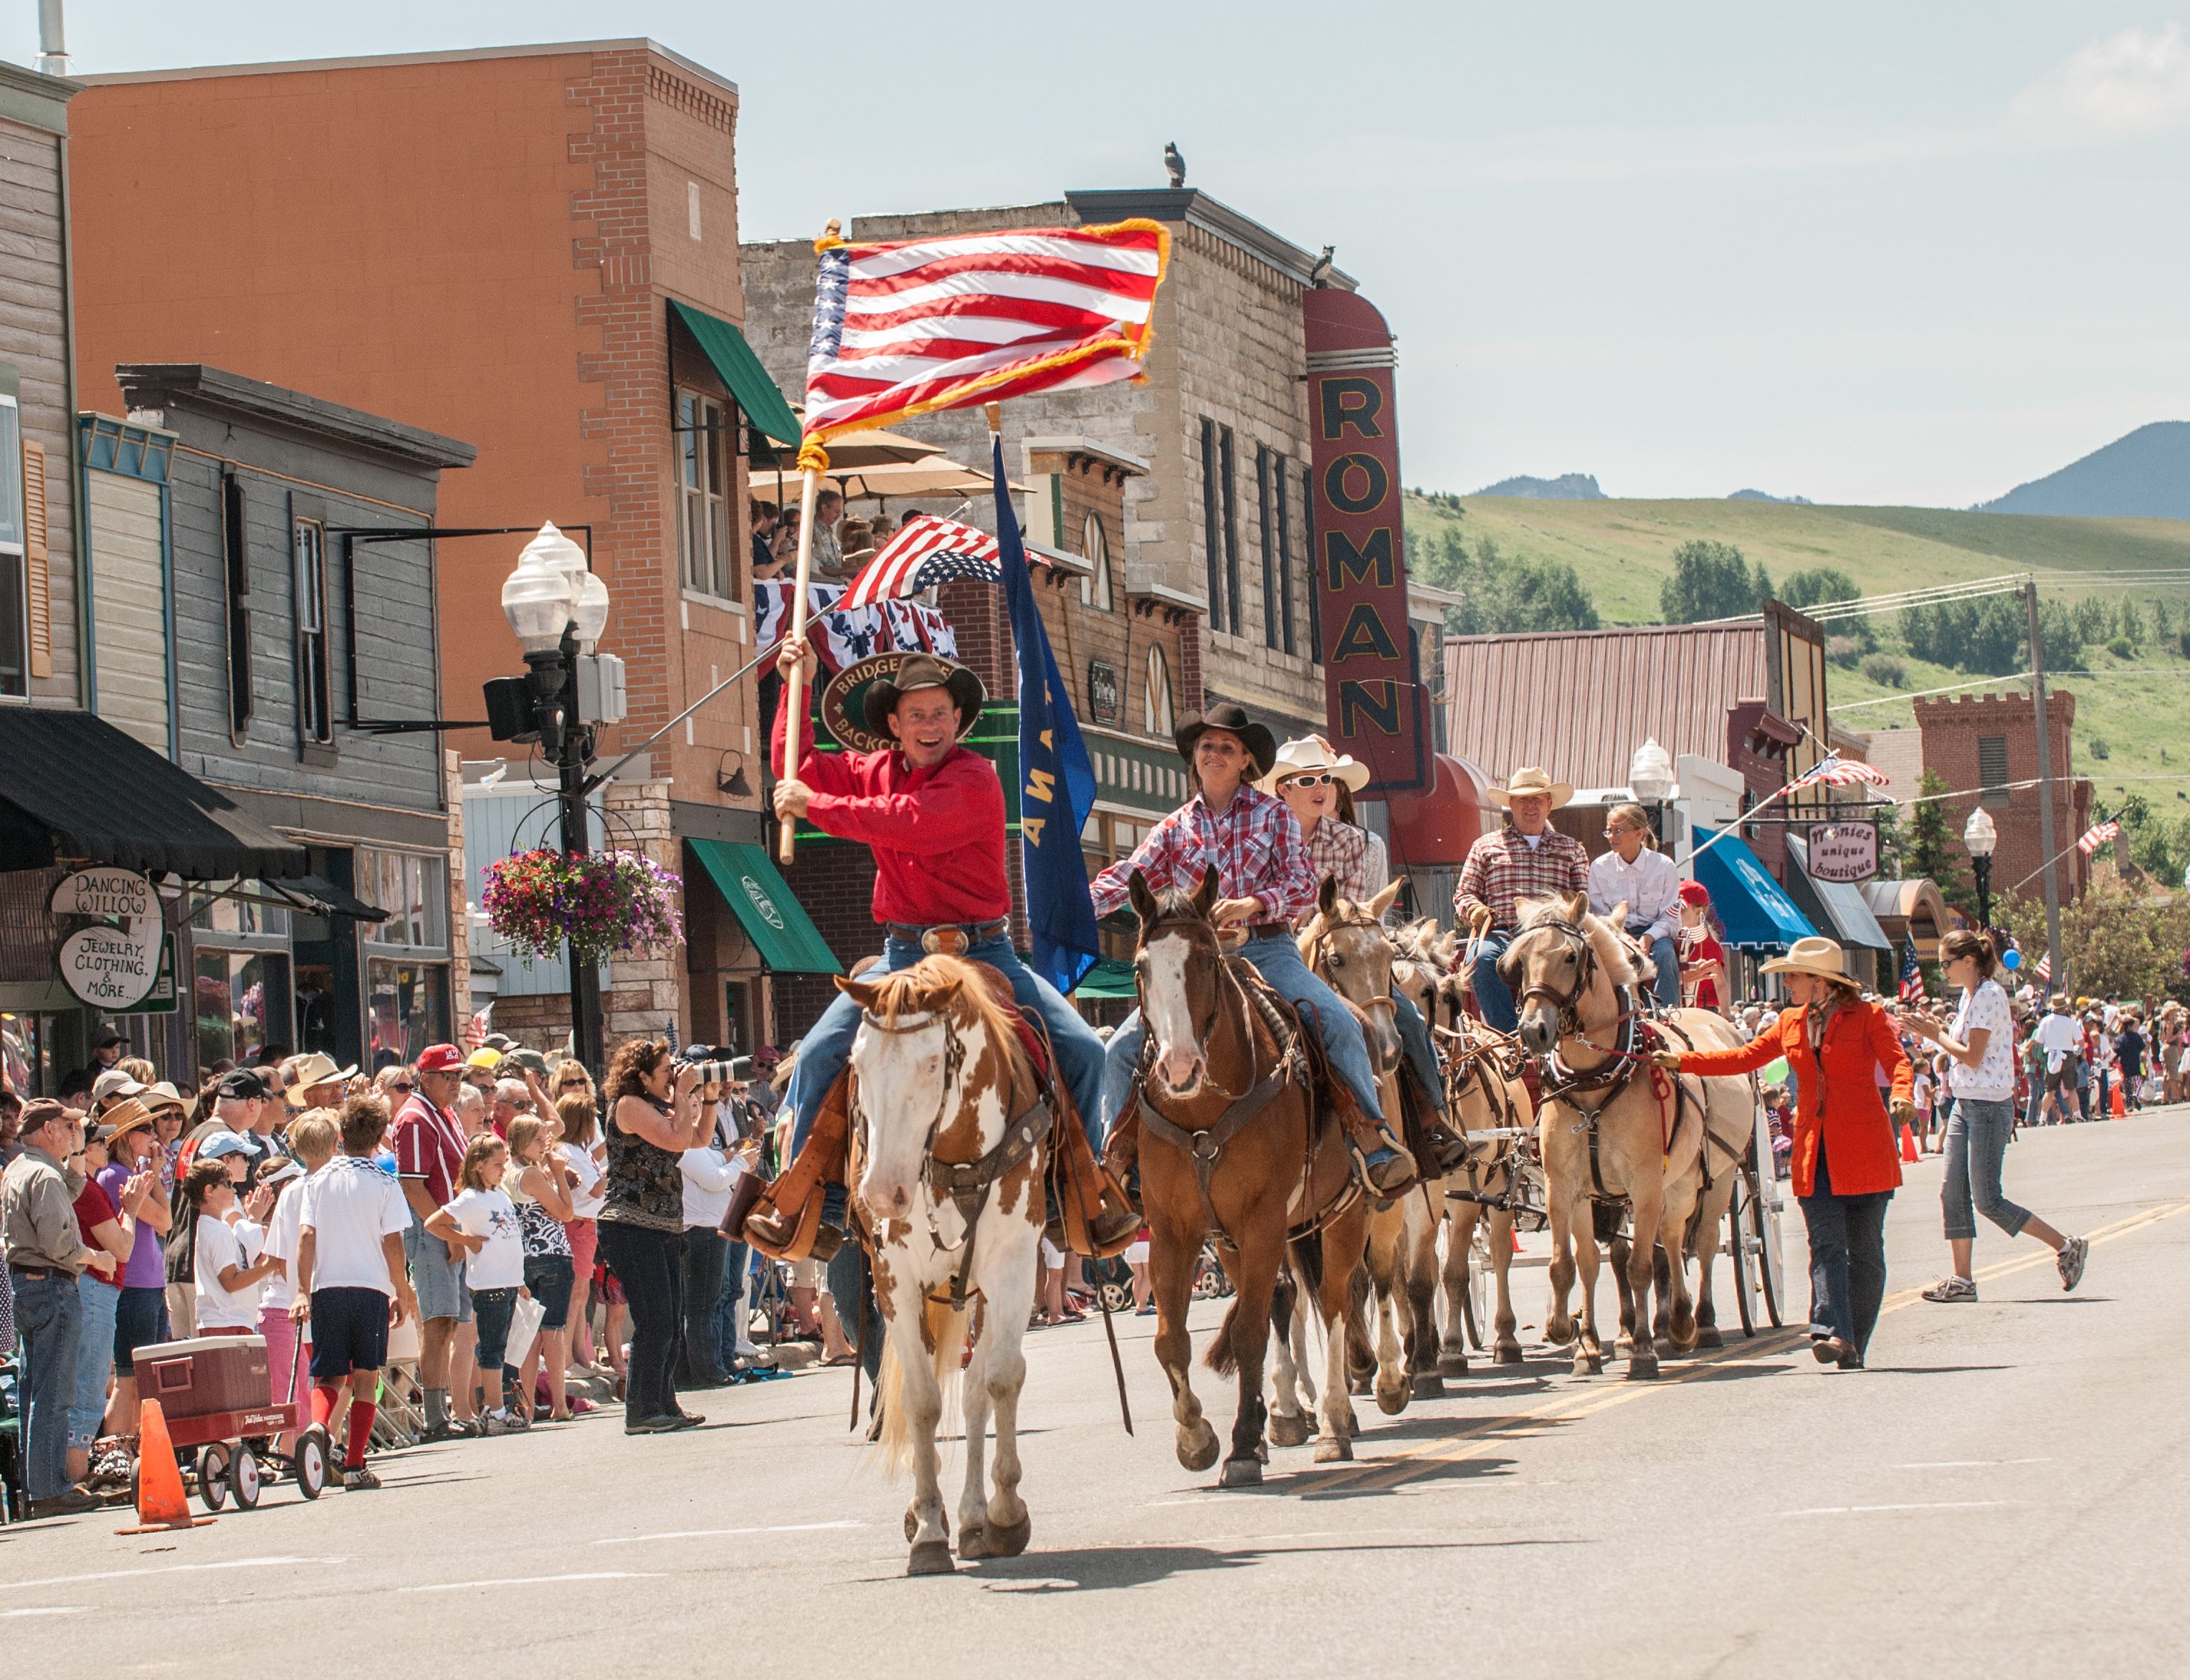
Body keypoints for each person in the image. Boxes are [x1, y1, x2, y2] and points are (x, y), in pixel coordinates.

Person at [758, 644, 1131, 1246]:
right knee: (818, 1054)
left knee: (1085, 1050)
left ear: (957, 721)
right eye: (917, 715)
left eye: (940, 713)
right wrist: (792, 687)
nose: (929, 725)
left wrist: (816, 807)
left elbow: (908, 821)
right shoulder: (872, 771)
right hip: (903, 955)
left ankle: (1079, 1190)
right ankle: (805, 1199)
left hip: (985, 955)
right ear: (894, 725)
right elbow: (794, 765)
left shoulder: (975, 778)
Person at [1090, 703, 1415, 1193]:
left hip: (1268, 950)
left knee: (1342, 1024)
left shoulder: (1273, 814)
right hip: (1198, 965)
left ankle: (1371, 1137)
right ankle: (1115, 1162)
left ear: (1245, 761)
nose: (1214, 754)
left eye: (1226, 747)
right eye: (1206, 746)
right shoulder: (1174, 828)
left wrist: (1253, 903)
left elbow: (1304, 886)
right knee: (1117, 1051)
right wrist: (1070, 907)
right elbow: (1124, 877)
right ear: (1194, 757)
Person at [1652, 936, 1914, 1370]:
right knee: (1826, 1246)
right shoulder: (1790, 1022)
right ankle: (1831, 1330)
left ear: (1820, 982)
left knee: (1865, 1251)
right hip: (1815, 1155)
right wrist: (1684, 1063)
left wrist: (1902, 1095)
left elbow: (1898, 1062)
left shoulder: (1869, 1017)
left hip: (1866, 1151)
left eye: (1792, 975)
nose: (1786, 982)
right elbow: (1743, 1058)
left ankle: (1853, 1340)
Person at [1262, 735, 1465, 1171]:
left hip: (1344, 956)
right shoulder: (1263, 839)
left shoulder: (1354, 842)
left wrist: (1313, 927)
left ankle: (1432, 1117)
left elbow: (1350, 916)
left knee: (1406, 1017)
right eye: (1308, 780)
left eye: (1326, 779)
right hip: (1279, 952)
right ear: (1284, 789)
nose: (1321, 788)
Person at [1905, 930, 2089, 1302]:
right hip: (1965, 1101)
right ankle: (1962, 1281)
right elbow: (1968, 1054)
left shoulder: (1988, 994)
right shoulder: (1971, 996)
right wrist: (1940, 1043)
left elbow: (1973, 1055)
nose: (1943, 970)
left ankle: (2066, 1245)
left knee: (1987, 1198)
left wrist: (1936, 1035)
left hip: (1989, 1105)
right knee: (1952, 1191)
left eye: (1946, 963)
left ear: (1968, 961)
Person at [291, 1094, 416, 1490]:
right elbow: (392, 1241)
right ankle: (355, 1464)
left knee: (328, 1375)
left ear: (340, 1135)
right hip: (370, 1289)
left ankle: (316, 1425)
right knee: (365, 1376)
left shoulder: (318, 1181)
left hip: (327, 1287)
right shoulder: (384, 1183)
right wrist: (402, 1289)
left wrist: (302, 1290)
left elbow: (306, 1236)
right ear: (381, 1138)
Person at [596, 1037, 713, 1433]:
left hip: (662, 1226)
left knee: (672, 1318)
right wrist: (683, 1094)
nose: (672, 1076)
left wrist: (708, 1100)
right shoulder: (629, 1106)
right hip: (630, 1226)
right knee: (655, 1321)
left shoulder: (658, 1107)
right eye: (665, 1071)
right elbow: (678, 1139)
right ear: (641, 1076)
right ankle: (641, 1411)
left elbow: (697, 1139)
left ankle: (664, 1403)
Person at [1, 1099, 104, 1515]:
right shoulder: (42, 1175)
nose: (72, 1133)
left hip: (27, 1288)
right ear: (48, 1131)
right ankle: (47, 1490)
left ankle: (36, 1487)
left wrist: (76, 1155)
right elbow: (59, 1243)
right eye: (67, 1127)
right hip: (51, 1286)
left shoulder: (20, 1169)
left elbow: (67, 1190)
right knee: (54, 1392)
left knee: (34, 1391)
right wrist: (95, 1258)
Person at [1453, 766, 1591, 1033]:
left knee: (1583, 962)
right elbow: (1464, 894)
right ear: (1511, 805)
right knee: (1482, 959)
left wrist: (1568, 906)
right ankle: (1509, 1036)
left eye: (1537, 799)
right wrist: (1476, 911)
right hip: (1503, 935)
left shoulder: (1571, 849)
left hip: (1555, 937)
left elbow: (1583, 899)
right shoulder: (1485, 847)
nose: (1530, 806)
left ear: (1549, 805)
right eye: (1523, 800)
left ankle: (1572, 1028)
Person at [391, 1044, 479, 1441]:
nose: (456, 1082)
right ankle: (434, 1417)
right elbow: (411, 1185)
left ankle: (442, 1411)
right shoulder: (413, 1117)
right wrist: (446, 1232)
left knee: (449, 1322)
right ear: (424, 1077)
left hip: (446, 1223)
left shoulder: (443, 1113)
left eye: (459, 1074)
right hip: (429, 1227)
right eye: (448, 1075)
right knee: (437, 1322)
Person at [427, 1134, 529, 1435]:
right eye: (497, 1164)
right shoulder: (470, 1198)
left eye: (504, 1162)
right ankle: (495, 1410)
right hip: (489, 1283)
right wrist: (465, 1240)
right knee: (492, 1348)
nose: (503, 1168)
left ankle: (496, 1408)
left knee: (499, 1346)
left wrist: (520, 1282)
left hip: (508, 1281)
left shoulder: (500, 1195)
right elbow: (433, 1223)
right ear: (480, 1165)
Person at [65, 1115, 135, 1487]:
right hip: (94, 1290)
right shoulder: (88, 1191)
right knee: (90, 1386)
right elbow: (122, 1249)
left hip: (93, 1290)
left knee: (88, 1383)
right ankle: (74, 1478)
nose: (107, 1148)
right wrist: (134, 1209)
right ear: (85, 1149)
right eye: (101, 1143)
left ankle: (73, 1474)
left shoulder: (85, 1186)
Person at [95, 1099, 173, 1428]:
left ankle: (137, 1449)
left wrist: (151, 1174)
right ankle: (113, 1450)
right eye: (145, 1129)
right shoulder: (115, 1176)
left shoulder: (132, 1174)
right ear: (127, 1136)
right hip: (133, 1288)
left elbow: (163, 1221)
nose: (153, 1135)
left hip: (149, 1286)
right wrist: (152, 1176)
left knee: (145, 1379)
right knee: (129, 1378)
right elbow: (164, 1220)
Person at [260, 1120, 337, 1444]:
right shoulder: (338, 1186)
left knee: (319, 1380)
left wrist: (297, 1287)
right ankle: (329, 1441)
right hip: (335, 1295)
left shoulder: (290, 1193)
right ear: (334, 1146)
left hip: (301, 1303)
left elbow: (276, 1257)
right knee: (335, 1380)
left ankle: (323, 1442)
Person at [675, 1056, 742, 1387]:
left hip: (710, 1226)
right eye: (689, 1101)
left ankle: (701, 1367)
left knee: (707, 1304)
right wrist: (741, 1162)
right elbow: (714, 1179)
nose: (696, 1107)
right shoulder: (683, 1141)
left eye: (698, 1101)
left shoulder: (695, 1138)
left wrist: (732, 1158)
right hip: (699, 1229)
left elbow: (717, 1163)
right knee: (702, 1307)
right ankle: (706, 1370)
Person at [507, 1115, 577, 1421]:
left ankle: (530, 1407)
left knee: (531, 1336)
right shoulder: (531, 1175)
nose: (544, 1145)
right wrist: (559, 1175)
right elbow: (566, 1212)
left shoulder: (508, 1172)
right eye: (538, 1139)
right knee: (554, 1332)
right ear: (522, 1140)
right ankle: (560, 1406)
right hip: (551, 1254)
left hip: (523, 1258)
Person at [1587, 801, 1682, 1012]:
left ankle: (1669, 1014)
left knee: (1665, 956)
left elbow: (1670, 917)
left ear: (1639, 834)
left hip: (1656, 935)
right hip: (1615, 934)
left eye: (1618, 831)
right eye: (1609, 831)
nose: (1612, 837)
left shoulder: (1665, 867)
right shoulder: (1599, 868)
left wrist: (1648, 938)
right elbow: (1599, 914)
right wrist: (1622, 936)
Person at [186, 1156, 278, 1334]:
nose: (234, 1190)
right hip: (226, 1323)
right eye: (227, 1184)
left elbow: (241, 1269)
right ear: (209, 1190)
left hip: (229, 1321)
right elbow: (231, 1282)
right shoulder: (217, 1232)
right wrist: (269, 1266)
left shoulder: (217, 1228)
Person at [1675, 882, 1730, 1016]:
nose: (1675, 912)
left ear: (1698, 912)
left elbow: (1720, 984)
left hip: (1705, 1011)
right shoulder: (1670, 942)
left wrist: (1726, 1011)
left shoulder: (1710, 946)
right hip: (1677, 1011)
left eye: (1681, 908)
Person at [2027, 996, 2083, 1124]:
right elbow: (2080, 1041)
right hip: (2068, 1054)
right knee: (2071, 1088)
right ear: (2064, 1008)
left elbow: (2039, 1042)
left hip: (2052, 1055)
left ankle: (2043, 1118)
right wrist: (2076, 1051)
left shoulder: (2045, 1021)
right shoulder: (2069, 1022)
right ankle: (2078, 1115)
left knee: (2050, 1089)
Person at [2117, 1009, 2148, 1112]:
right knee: (2138, 1081)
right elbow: (2143, 1047)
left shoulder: (2121, 1038)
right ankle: (2136, 1096)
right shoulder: (2136, 1036)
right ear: (2130, 1026)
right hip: (2135, 1061)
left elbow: (2117, 1050)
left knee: (2127, 1083)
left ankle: (2129, 1104)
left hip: (2125, 1063)